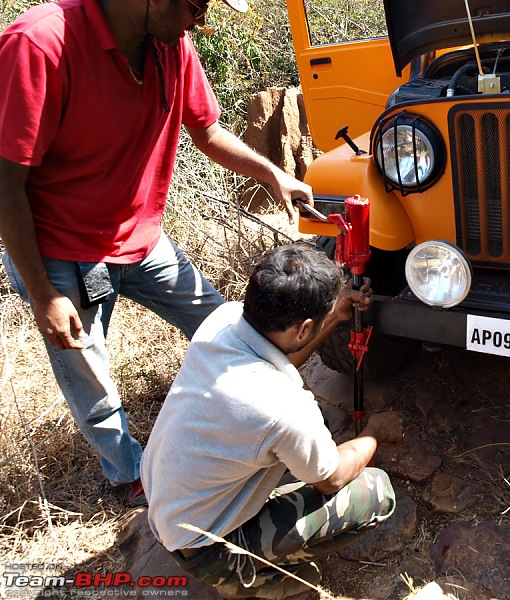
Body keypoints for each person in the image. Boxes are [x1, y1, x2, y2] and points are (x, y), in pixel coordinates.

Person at [0, 0, 312, 505]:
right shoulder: (40, 44)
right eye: (196, 5)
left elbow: (207, 131)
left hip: (138, 233)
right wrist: (43, 293)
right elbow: (5, 182)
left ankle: (262, 416)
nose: (202, 21)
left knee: (223, 324)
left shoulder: (173, 47)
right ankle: (133, 475)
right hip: (59, 247)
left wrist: (273, 173)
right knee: (91, 377)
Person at [141, 243, 403, 600]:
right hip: (205, 546)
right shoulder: (280, 407)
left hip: (166, 505)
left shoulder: (223, 321)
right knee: (375, 491)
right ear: (303, 327)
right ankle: (249, 577)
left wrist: (336, 316)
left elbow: (283, 353)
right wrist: (375, 432)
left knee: (289, 452)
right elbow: (333, 477)